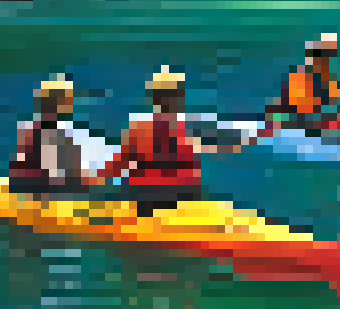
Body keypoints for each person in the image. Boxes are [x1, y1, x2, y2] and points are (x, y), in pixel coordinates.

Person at [95, 67, 252, 215]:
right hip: (177, 194)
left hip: (147, 196)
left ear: (154, 98)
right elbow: (220, 143)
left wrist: (100, 177)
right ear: (178, 97)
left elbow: (122, 161)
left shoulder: (139, 127)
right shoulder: (188, 125)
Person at [8, 76, 101, 199]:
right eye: (65, 100)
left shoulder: (61, 130)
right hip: (42, 186)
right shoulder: (33, 129)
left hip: (45, 183)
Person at [263, 34, 340, 140]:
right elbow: (302, 106)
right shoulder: (302, 76)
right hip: (303, 119)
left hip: (310, 118)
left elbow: (333, 92)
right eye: (324, 54)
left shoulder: (322, 77)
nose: (327, 60)